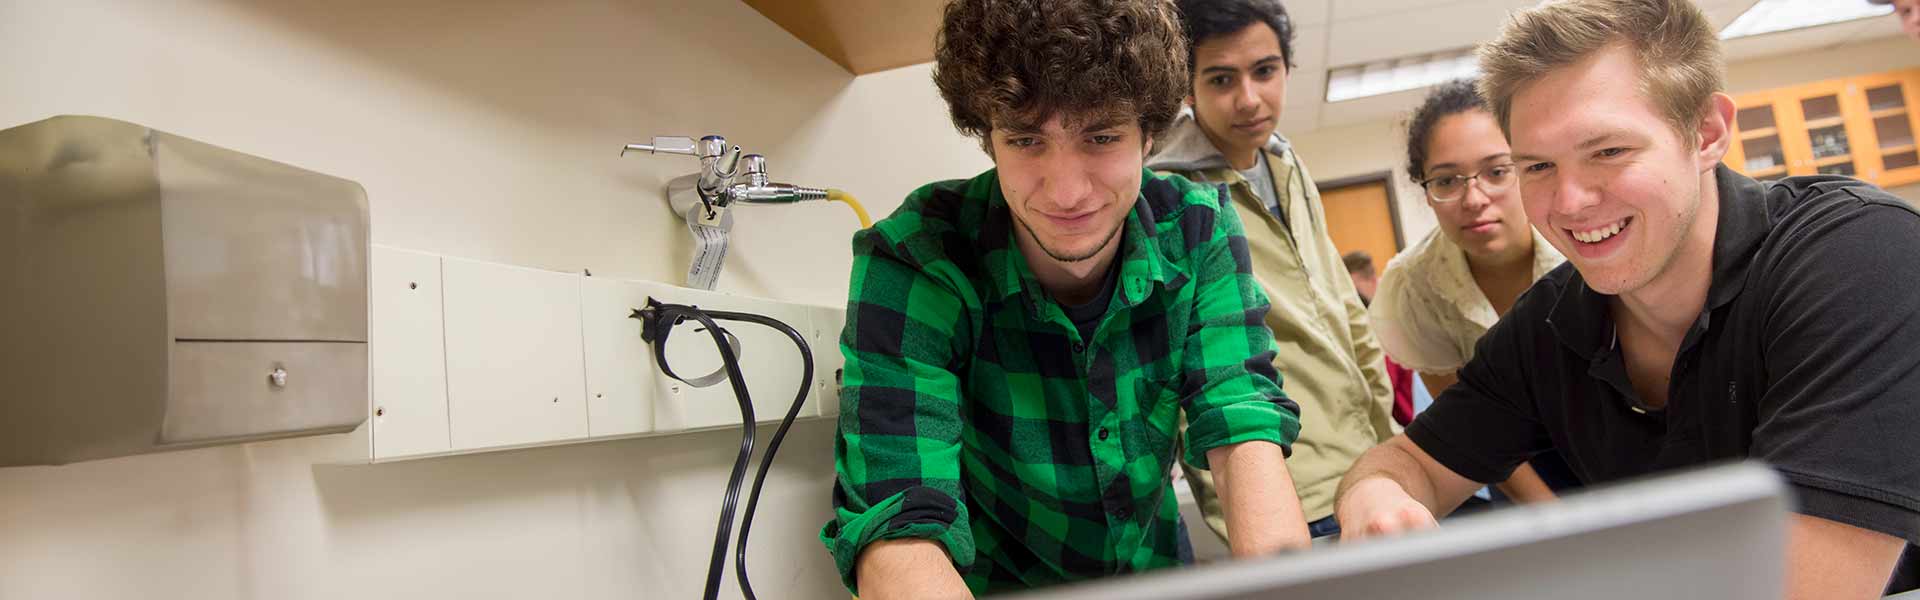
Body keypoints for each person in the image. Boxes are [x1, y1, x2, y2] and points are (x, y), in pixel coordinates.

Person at [1333, 1, 1920, 598]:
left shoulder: (1859, 257)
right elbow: (1402, 464)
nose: (1568, 203)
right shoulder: (1548, 324)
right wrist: (1373, 495)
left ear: (1706, 132)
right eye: (1537, 165)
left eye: (1608, 151)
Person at [821, 0, 1312, 597]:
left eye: (1102, 136)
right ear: (988, 136)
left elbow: (1242, 425)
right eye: (1027, 140)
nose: (1067, 191)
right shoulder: (917, 257)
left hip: (1154, 571)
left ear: (1150, 134)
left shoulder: (1197, 231)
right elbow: (898, 521)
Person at [1147, 0, 1398, 543]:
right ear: (1188, 90)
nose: (1249, 98)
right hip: (1287, 487)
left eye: (1265, 71)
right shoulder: (1170, 195)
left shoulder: (1287, 163)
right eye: (1221, 79)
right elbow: (1182, 365)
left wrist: (1389, 433)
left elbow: (1343, 308)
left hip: (1371, 461)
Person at [1366, 79, 1574, 503]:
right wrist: (1548, 512)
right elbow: (1479, 430)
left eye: (1497, 172)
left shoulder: (1583, 239)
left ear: (1528, 166)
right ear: (1424, 191)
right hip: (1510, 461)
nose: (1474, 198)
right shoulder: (1415, 288)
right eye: (1446, 181)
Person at [1341, 251, 1415, 426]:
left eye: (1354, 293)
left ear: (1373, 280)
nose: (1352, 302)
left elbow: (1383, 387)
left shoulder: (1386, 323)